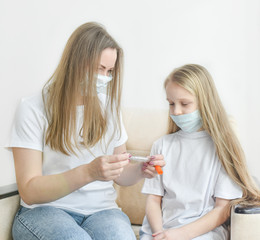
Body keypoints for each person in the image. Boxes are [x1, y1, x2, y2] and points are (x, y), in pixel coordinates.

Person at [8, 22, 164, 240]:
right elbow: (30, 191)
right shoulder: (33, 108)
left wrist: (139, 170)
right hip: (45, 211)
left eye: (109, 71)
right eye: (99, 69)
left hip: (102, 212)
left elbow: (121, 173)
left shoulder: (109, 107)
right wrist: (89, 172)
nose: (104, 77)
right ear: (75, 62)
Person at [139, 64, 260, 240]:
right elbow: (153, 199)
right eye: (171, 104)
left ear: (205, 102)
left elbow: (222, 209)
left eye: (185, 104)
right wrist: (160, 233)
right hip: (160, 231)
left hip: (203, 233)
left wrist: (178, 235)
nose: (176, 111)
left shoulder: (223, 148)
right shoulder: (162, 145)